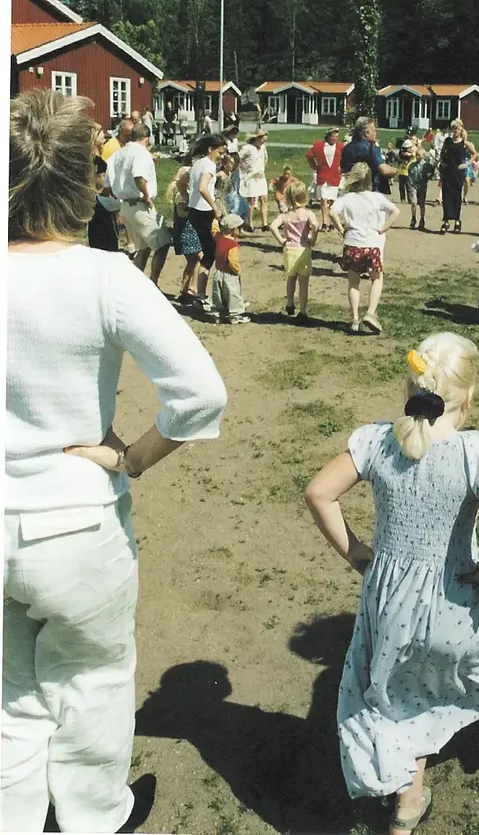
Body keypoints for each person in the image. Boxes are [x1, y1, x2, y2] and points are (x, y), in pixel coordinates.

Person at [5, 90, 227, 835]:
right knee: (93, 683)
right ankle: (95, 816)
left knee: (11, 696)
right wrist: (130, 458)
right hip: (76, 525)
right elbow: (200, 394)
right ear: (86, 178)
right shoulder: (105, 276)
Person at [304, 333, 479, 835]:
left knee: (399, 696)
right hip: (455, 600)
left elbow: (319, 493)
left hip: (389, 603)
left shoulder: (377, 442)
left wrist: (358, 554)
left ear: (410, 389)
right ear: (468, 397)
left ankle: (407, 802)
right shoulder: (476, 453)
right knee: (469, 665)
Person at [330, 162, 399, 334]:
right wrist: (383, 228)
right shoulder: (377, 197)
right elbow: (395, 211)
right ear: (370, 179)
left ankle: (354, 319)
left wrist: (341, 229)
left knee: (353, 283)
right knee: (376, 279)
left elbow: (332, 212)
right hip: (372, 245)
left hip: (353, 244)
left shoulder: (346, 199)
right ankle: (370, 313)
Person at [105, 122, 172, 288]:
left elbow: (107, 183)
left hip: (125, 205)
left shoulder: (118, 154)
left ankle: (135, 284)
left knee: (144, 247)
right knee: (162, 244)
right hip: (139, 203)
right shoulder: (141, 153)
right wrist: (146, 195)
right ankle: (152, 283)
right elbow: (138, 176)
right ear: (147, 139)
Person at [187, 134, 228, 312]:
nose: (222, 156)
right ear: (211, 149)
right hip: (203, 211)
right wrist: (215, 206)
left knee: (206, 252)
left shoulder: (198, 163)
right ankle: (200, 295)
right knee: (209, 254)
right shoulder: (209, 165)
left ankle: (197, 291)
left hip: (193, 209)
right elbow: (202, 187)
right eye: (220, 152)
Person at [270, 181, 320, 323]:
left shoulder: (285, 216)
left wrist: (281, 240)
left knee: (291, 278)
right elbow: (315, 225)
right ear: (305, 197)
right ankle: (303, 311)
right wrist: (312, 239)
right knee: (303, 283)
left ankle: (290, 303)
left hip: (289, 250)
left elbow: (273, 226)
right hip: (303, 250)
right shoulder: (308, 214)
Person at [166, 161, 202, 306]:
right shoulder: (181, 196)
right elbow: (181, 213)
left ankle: (188, 289)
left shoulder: (186, 193)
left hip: (188, 231)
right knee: (196, 260)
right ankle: (188, 289)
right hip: (185, 231)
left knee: (195, 260)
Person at [340, 116, 397, 195]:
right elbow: (384, 170)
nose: (375, 133)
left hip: (350, 189)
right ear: (366, 133)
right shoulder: (370, 148)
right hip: (369, 189)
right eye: (373, 130)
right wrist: (396, 170)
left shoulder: (347, 148)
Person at [211, 212, 250, 325]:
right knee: (233, 294)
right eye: (239, 228)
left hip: (218, 273)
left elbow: (213, 230)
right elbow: (232, 261)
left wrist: (215, 219)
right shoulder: (232, 245)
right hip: (229, 274)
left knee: (218, 295)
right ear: (233, 229)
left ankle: (218, 314)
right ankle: (235, 315)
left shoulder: (219, 238)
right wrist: (237, 270)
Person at [88, 121, 121, 252]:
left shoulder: (94, 159)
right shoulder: (95, 162)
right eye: (100, 134)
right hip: (101, 204)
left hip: (97, 204)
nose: (104, 139)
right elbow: (99, 186)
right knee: (108, 242)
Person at [439, 119, 474, 234]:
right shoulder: (448, 141)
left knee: (456, 197)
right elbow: (442, 153)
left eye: (458, 129)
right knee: (446, 197)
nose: (455, 131)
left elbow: (474, 154)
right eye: (454, 129)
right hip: (447, 171)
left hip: (458, 172)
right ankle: (446, 221)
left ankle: (457, 220)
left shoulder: (464, 143)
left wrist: (467, 164)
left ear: (461, 130)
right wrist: (442, 162)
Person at [306, 127, 344, 231]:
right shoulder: (319, 145)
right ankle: (324, 222)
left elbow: (345, 158)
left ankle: (332, 222)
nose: (335, 138)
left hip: (334, 176)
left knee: (332, 201)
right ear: (328, 136)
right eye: (333, 136)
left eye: (336, 136)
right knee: (323, 200)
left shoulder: (340, 147)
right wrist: (314, 166)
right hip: (323, 175)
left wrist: (342, 168)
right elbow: (309, 156)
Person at [238, 131, 270, 232]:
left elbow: (265, 158)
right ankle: (250, 223)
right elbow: (238, 157)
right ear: (257, 138)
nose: (263, 142)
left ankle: (264, 223)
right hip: (250, 177)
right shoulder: (248, 148)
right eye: (262, 140)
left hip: (260, 176)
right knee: (251, 201)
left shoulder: (263, 148)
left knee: (264, 198)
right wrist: (244, 169)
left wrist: (262, 167)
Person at [407, 148, 434, 231]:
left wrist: (428, 177)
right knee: (414, 202)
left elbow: (432, 172)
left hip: (422, 186)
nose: (417, 156)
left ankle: (422, 219)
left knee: (422, 203)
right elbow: (409, 174)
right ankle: (413, 217)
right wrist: (410, 183)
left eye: (419, 155)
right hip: (413, 185)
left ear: (423, 155)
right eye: (416, 155)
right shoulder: (412, 165)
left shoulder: (427, 166)